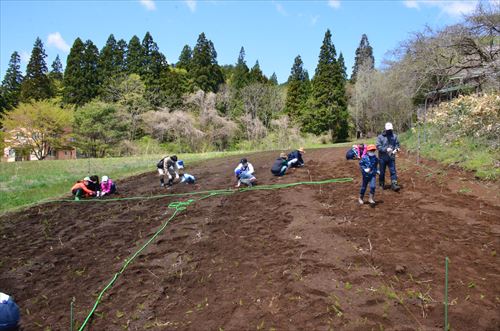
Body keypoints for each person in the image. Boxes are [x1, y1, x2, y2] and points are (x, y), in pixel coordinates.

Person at [376, 122, 401, 191]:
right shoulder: (380, 137)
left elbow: (397, 144)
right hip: (382, 158)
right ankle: (381, 184)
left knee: (393, 171)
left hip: (391, 157)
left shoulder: (395, 136)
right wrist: (385, 149)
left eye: (390, 129)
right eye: (388, 129)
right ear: (385, 129)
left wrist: (396, 149)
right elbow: (378, 146)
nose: (389, 131)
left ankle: (394, 184)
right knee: (382, 172)